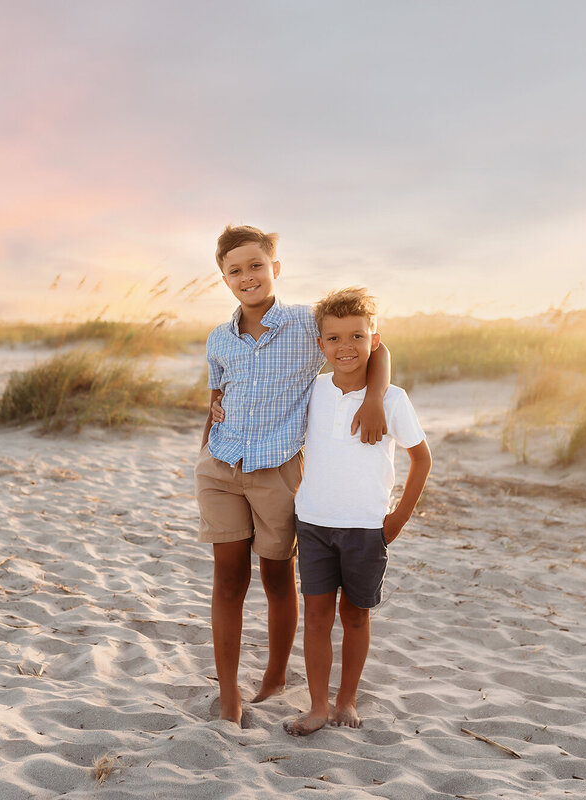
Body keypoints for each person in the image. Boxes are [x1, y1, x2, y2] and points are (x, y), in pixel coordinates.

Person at [197, 225, 391, 726]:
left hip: (278, 470)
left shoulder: (308, 324)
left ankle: (275, 676)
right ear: (223, 278)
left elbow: (378, 348)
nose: (247, 277)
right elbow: (216, 395)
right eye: (235, 270)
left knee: (277, 574)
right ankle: (229, 696)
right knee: (227, 577)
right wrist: (206, 442)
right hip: (221, 467)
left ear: (274, 268)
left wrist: (373, 399)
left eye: (256, 265)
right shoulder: (219, 339)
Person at [283, 286, 432, 736]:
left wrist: (398, 518)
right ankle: (316, 706)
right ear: (320, 344)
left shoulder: (391, 399)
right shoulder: (313, 390)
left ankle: (345, 698)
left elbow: (421, 458)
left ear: (374, 339)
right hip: (313, 524)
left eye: (357, 337)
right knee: (316, 618)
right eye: (333, 339)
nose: (345, 348)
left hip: (367, 527)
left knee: (356, 616)